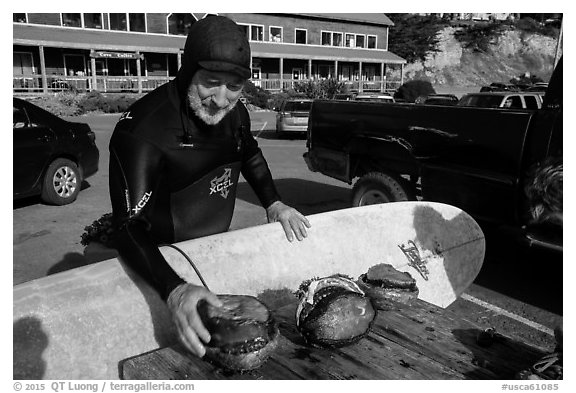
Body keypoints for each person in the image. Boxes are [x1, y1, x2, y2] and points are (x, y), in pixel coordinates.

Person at [108, 15, 311, 358]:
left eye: (233, 86)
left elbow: (251, 156)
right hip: (157, 264)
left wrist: (273, 203)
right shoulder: (143, 130)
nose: (221, 99)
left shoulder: (236, 114)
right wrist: (173, 290)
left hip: (211, 251)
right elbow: (127, 226)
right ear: (188, 72)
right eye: (211, 82)